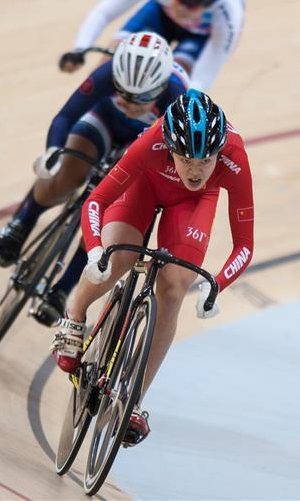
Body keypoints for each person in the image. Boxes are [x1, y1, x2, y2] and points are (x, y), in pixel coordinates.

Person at [51, 89, 254, 447]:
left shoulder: (234, 157)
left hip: (194, 204)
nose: (196, 169)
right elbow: (96, 200)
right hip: (145, 185)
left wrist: (216, 285)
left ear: (219, 152)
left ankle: (133, 402)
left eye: (206, 160)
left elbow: (245, 245)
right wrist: (95, 250)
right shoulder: (151, 143)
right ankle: (75, 313)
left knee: (174, 288)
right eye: (187, 159)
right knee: (119, 258)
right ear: (169, 146)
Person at [0, 32, 190, 326]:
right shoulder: (108, 72)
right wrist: (53, 152)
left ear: (160, 87)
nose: (131, 104)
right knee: (68, 171)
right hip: (103, 123)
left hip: (141, 146)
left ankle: (61, 290)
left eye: (143, 99)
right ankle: (23, 222)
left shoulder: (178, 97)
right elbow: (65, 117)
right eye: (123, 93)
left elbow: (170, 160)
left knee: (107, 213)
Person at [58, 0, 243, 93]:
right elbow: (105, 11)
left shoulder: (229, 12)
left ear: (210, 5)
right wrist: (81, 48)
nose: (180, 11)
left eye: (191, 8)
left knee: (173, 89)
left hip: (200, 37)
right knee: (104, 72)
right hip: (161, 15)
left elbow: (205, 75)